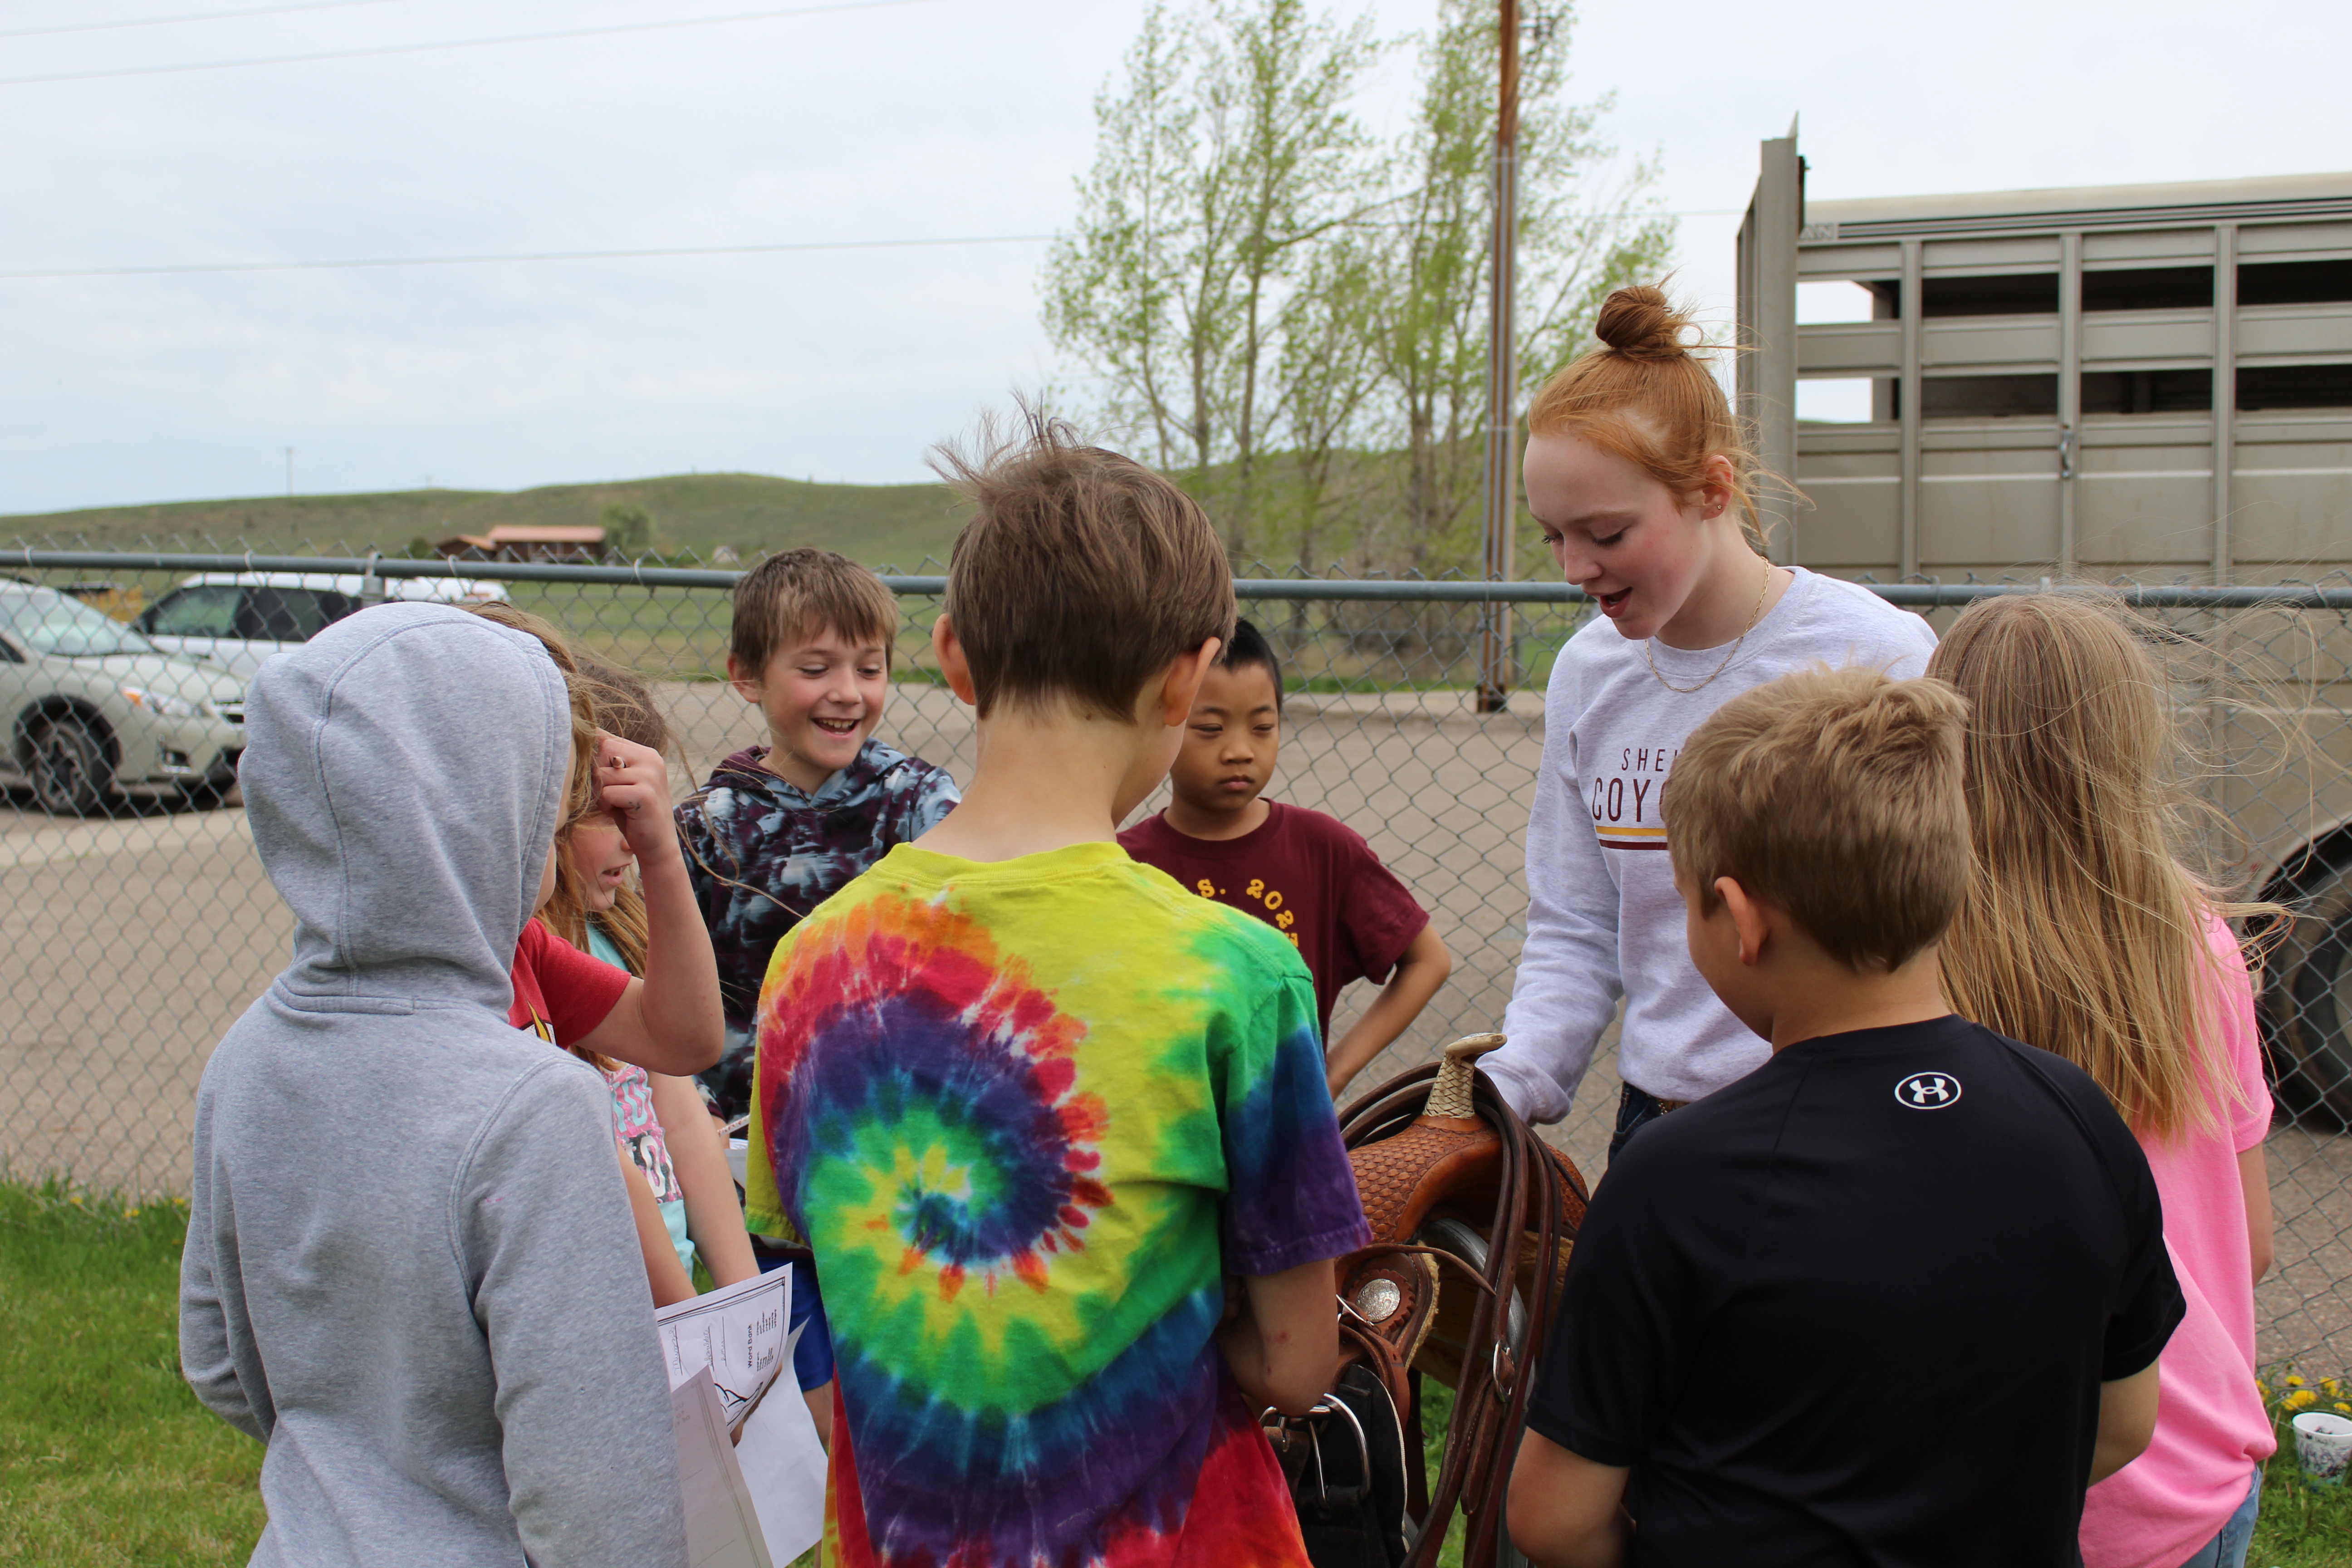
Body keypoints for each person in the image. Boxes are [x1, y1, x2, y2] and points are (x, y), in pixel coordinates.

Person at [745, 414, 1370, 1567]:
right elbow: (1294, 1364)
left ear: (950, 656)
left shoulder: (810, 966)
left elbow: (807, 1285)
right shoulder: (1235, 972)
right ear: (1187, 673)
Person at [1506, 666, 2185, 1568]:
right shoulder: (2078, 1117)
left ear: (1740, 919)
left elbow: (1555, 1520)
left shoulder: (1677, 1178)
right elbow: (2125, 1422)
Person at [180, 601, 687, 1567]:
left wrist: (362, 1459)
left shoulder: (245, 1056)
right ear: (484, 824)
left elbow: (217, 1360)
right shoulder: (535, 1106)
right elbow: (601, 1497)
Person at [1485, 285, 1938, 1158]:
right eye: (1551, 537)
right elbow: (1575, 930)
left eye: (1606, 533)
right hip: (1661, 1127)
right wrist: (1500, 1094)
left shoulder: (1875, 652)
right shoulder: (1587, 674)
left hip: (1855, 1128)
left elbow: (1954, 921)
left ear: (1709, 490)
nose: (1575, 567)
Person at [1930, 595, 2280, 1568]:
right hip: (2202, 1464)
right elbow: (2247, 1247)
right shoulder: (2202, 946)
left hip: (1992, 1470)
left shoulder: (1913, 957)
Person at [470, 605, 726, 1309]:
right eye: (577, 801)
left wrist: (662, 852)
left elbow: (687, 1038)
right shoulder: (465, 981)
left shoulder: (527, 950)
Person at [676, 547, 959, 1124]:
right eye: (815, 669)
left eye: (870, 668)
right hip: (737, 1137)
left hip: (889, 1132)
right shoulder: (705, 828)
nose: (849, 692)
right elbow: (669, 990)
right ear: (745, 676)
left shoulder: (919, 805)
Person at [1120, 616, 1453, 1096]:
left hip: (1285, 1133)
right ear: (1163, 721)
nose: (1240, 751)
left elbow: (1429, 960)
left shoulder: (1323, 848)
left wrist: (1334, 1073)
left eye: (1262, 727)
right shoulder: (1127, 863)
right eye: (1210, 728)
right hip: (1161, 1130)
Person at [539, 661, 760, 1297]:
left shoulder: (624, 929)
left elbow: (682, 1116)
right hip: (603, 1296)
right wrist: (687, 1312)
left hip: (676, 1294)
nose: (634, 844)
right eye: (612, 815)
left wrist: (742, 1302)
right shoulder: (535, 964)